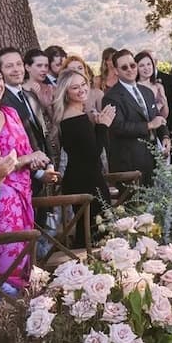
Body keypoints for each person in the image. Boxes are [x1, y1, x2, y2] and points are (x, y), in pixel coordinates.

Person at [0, 65, 52, 293]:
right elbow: (0, 165)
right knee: (8, 265)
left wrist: (37, 166)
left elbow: (25, 152)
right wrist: (28, 158)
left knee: (26, 260)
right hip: (1, 199)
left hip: (24, 193)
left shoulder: (11, 112)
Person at [53, 68, 115, 229]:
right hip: (87, 183)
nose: (82, 90)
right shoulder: (76, 119)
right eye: (75, 87)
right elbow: (93, 153)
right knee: (96, 231)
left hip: (83, 180)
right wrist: (103, 126)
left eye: (83, 84)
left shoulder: (74, 115)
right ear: (66, 93)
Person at [103, 49, 168, 185]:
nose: (130, 70)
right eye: (124, 67)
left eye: (132, 65)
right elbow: (118, 127)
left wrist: (165, 136)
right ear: (116, 71)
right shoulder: (111, 97)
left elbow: (157, 117)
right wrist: (149, 125)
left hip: (152, 158)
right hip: (128, 162)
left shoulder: (147, 92)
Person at [135, 51, 169, 121]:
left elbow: (164, 115)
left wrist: (164, 103)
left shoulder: (158, 86)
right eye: (142, 65)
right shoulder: (135, 88)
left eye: (148, 64)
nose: (146, 68)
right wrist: (158, 106)